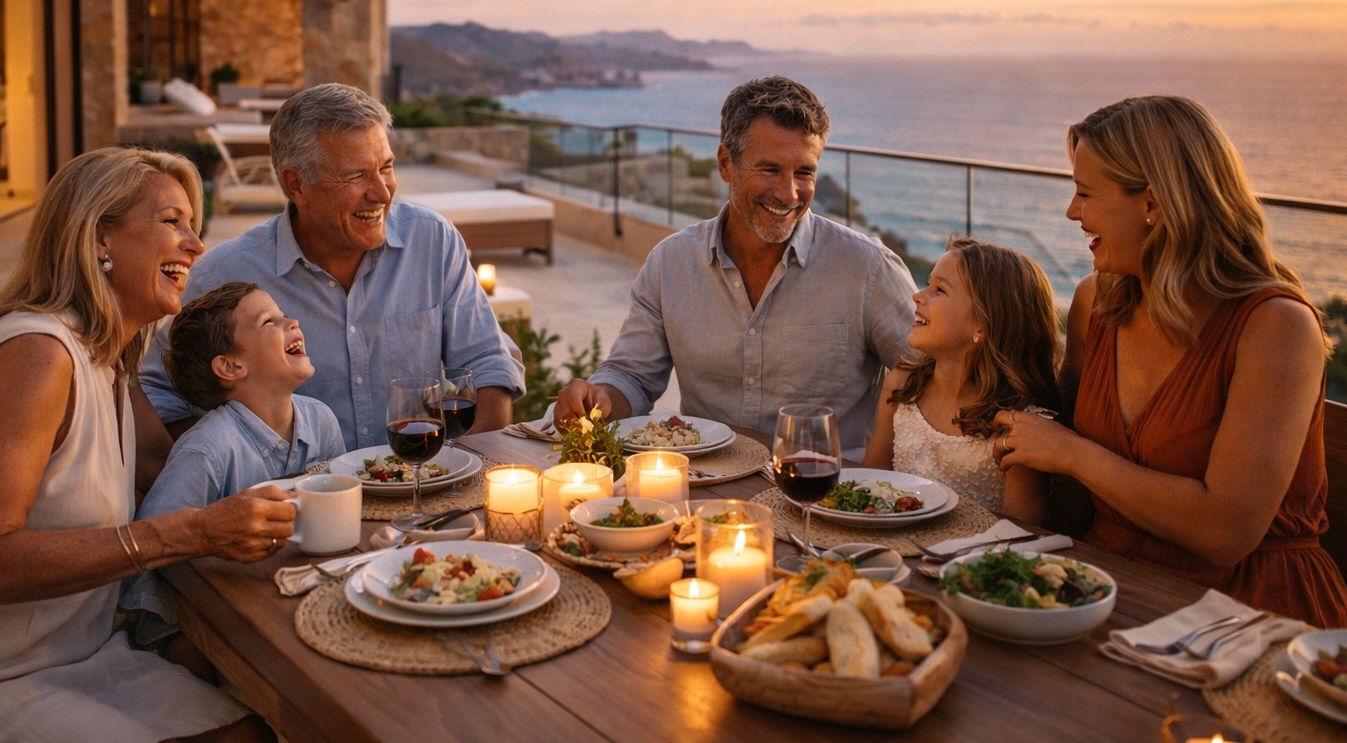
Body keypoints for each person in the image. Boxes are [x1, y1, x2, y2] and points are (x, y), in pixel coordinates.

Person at [0, 147, 294, 742]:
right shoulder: (35, 356)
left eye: (193, 226)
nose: (196, 245)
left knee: (260, 724)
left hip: (64, 657)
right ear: (99, 238)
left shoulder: (106, 359)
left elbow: (167, 469)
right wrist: (193, 531)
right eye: (171, 222)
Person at [996, 95, 1347, 628]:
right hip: (1107, 583)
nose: (1073, 212)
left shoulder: (1275, 326)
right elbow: (1053, 455)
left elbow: (1225, 534)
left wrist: (1073, 455)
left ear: (1155, 205)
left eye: (1086, 193)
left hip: (1247, 612)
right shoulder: (1098, 303)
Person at [138, 83, 524, 447]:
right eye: (356, 175)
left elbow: (486, 364)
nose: (382, 192)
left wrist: (473, 468)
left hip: (420, 487)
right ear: (297, 185)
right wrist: (239, 468)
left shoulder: (433, 241)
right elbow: (159, 399)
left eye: (386, 167)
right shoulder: (222, 275)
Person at [556, 75, 916, 452]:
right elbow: (633, 377)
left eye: (804, 172)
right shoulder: (670, 263)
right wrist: (599, 399)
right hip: (708, 490)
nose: (788, 193)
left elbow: (936, 382)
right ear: (726, 163)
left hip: (827, 495)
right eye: (770, 170)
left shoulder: (868, 269)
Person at [123, 282, 344, 645]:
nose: (292, 322)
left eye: (283, 314)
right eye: (268, 321)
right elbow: (155, 549)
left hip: (307, 606)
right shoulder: (207, 449)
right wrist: (184, 642)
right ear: (230, 366)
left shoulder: (322, 421)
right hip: (225, 628)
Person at [864, 237, 1057, 524]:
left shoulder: (1020, 426)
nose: (918, 296)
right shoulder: (901, 386)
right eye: (927, 284)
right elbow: (870, 481)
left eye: (939, 290)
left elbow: (1022, 530)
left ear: (983, 324)